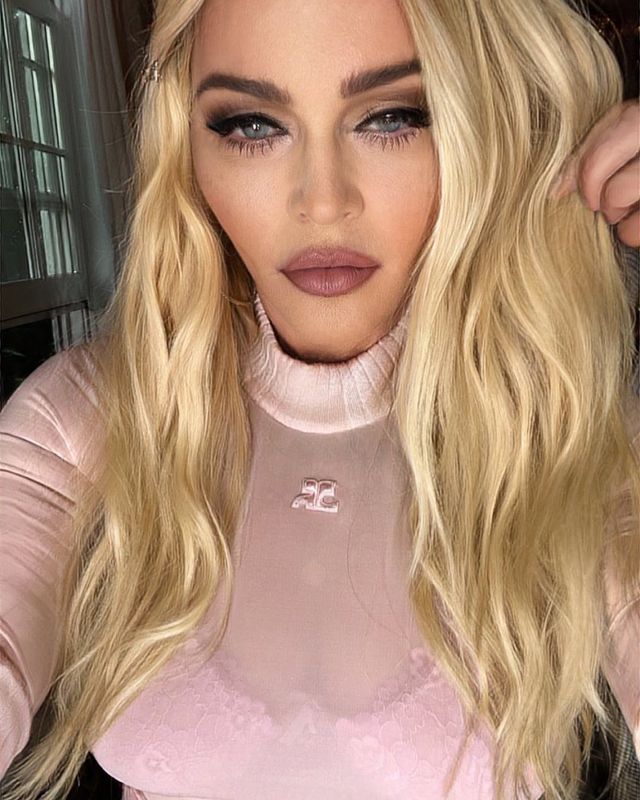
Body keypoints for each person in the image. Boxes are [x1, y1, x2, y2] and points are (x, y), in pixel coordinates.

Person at [1, 1, 639, 798]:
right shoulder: (86, 418)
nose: (323, 201)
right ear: (189, 147)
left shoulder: (576, 432)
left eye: (393, 117)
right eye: (252, 126)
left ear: (487, 128)